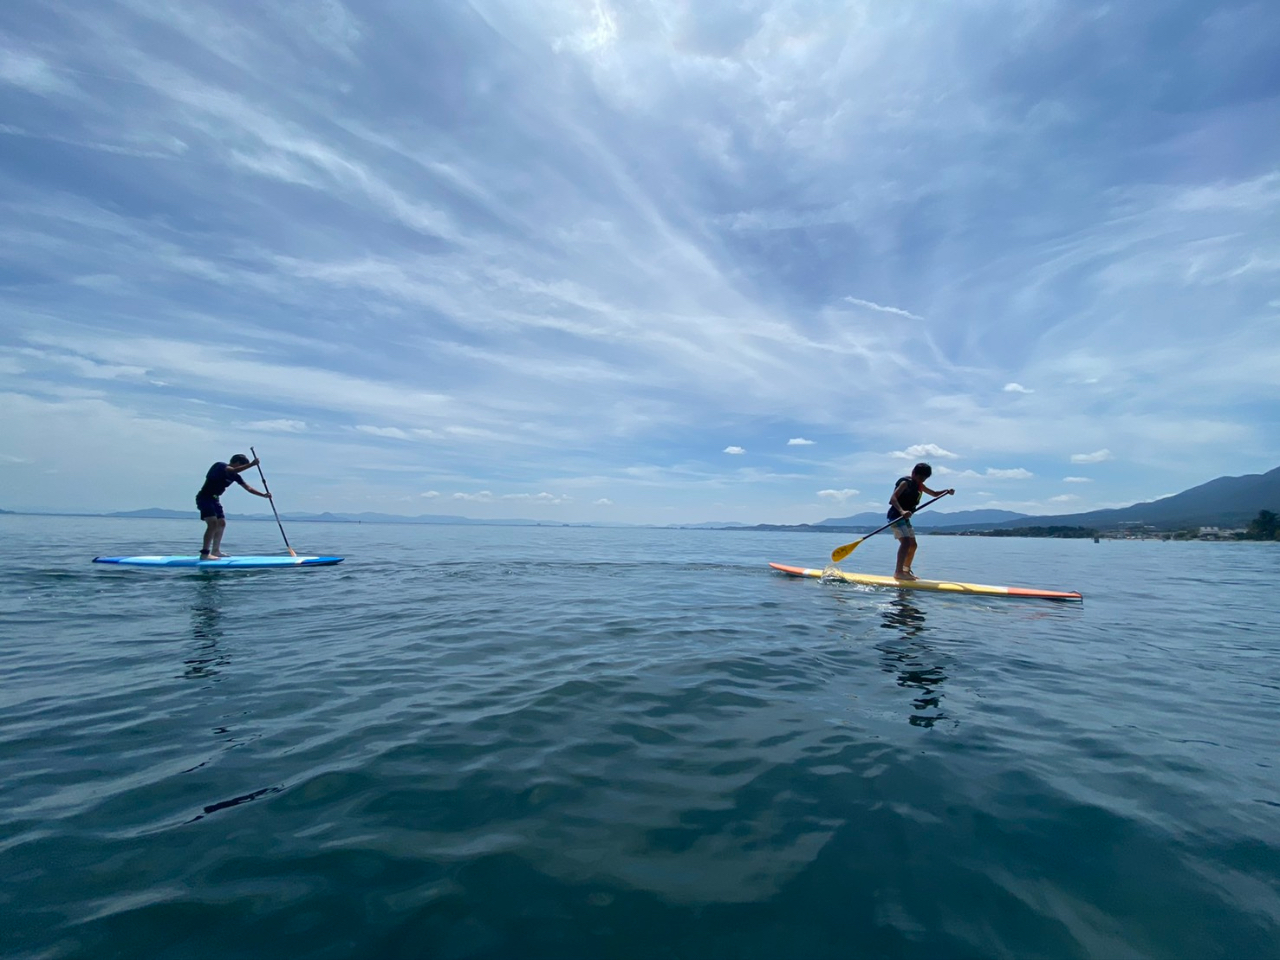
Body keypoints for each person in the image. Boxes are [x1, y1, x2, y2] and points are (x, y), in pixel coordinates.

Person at [887, 462, 954, 580]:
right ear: (913, 473)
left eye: (924, 479)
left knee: (913, 545)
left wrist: (946, 491)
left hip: (905, 518)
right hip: (895, 516)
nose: (921, 481)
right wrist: (902, 511)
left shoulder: (920, 485)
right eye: (920, 478)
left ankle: (906, 570)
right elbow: (893, 499)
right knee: (906, 543)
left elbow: (934, 494)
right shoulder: (905, 483)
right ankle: (898, 572)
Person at [197, 454, 271, 558]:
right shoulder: (220, 466)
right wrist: (252, 464)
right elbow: (231, 470)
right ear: (237, 463)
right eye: (242, 466)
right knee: (212, 523)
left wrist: (263, 495)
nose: (242, 469)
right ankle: (204, 553)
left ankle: (215, 551)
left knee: (221, 523)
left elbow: (248, 488)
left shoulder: (235, 476)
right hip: (204, 497)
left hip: (215, 499)